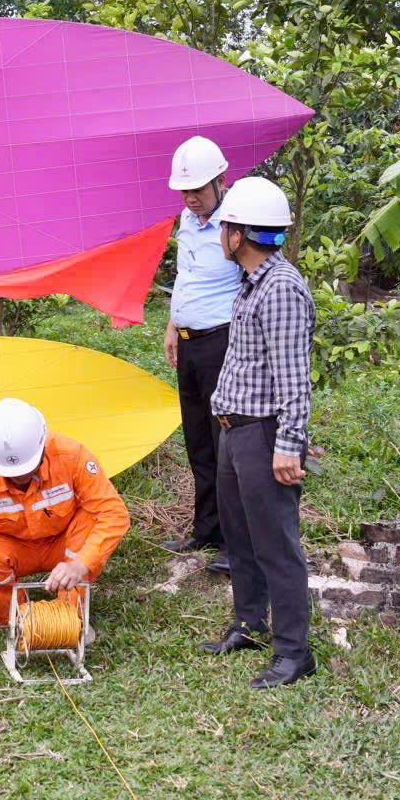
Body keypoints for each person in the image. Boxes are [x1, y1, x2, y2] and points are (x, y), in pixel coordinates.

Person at [197, 176, 317, 689]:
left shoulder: (281, 289)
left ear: (239, 235)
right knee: (241, 537)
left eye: (225, 227)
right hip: (235, 431)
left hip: (264, 435)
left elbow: (295, 378)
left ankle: (294, 653)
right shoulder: (253, 283)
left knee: (275, 545)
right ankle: (250, 624)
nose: (221, 234)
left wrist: (288, 446)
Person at [0, 398, 130, 632]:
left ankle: (70, 616)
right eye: (10, 473)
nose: (20, 478)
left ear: (43, 442)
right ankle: (10, 617)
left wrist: (82, 563)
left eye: (29, 468)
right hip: (13, 550)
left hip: (66, 541)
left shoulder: (71, 455)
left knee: (91, 521)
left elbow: (113, 513)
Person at [161, 136, 242, 575]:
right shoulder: (187, 221)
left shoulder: (236, 223)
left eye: (198, 190)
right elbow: (185, 274)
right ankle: (206, 528)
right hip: (190, 342)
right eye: (184, 191)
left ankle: (234, 541)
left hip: (222, 343)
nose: (191, 198)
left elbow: (253, 281)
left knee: (225, 441)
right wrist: (173, 325)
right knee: (197, 439)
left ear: (220, 181)